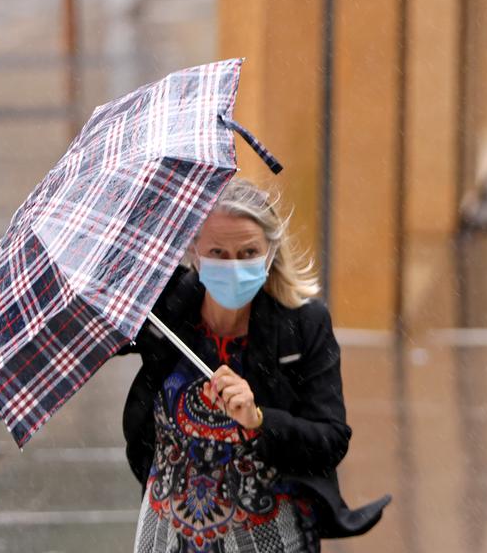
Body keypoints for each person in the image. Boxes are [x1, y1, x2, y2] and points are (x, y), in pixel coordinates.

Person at [122, 179, 390, 552]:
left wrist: (260, 420)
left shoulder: (302, 324)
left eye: (248, 252)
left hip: (269, 539)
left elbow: (330, 440)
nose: (232, 265)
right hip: (168, 537)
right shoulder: (165, 310)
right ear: (194, 252)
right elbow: (96, 338)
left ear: (269, 253)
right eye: (218, 251)